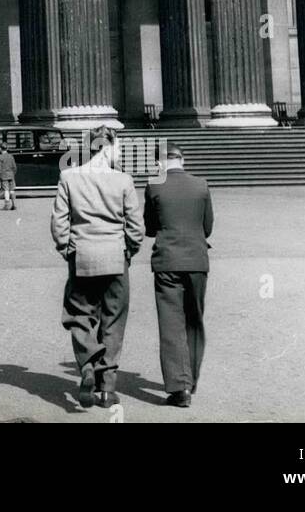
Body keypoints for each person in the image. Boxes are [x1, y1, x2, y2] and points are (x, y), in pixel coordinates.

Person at [50, 128, 144, 408]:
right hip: (116, 257)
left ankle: (88, 365)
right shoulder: (124, 179)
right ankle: (107, 389)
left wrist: (67, 249)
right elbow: (136, 226)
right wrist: (128, 250)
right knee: (113, 320)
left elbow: (59, 222)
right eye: (118, 147)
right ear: (106, 147)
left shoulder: (69, 177)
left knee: (79, 315)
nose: (120, 153)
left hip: (82, 255)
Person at [144, 143, 214, 408]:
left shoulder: (154, 186)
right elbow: (207, 226)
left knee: (171, 322)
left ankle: (179, 387)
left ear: (159, 163)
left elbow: (150, 227)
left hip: (167, 261)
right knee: (194, 320)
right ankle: (191, 379)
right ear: (182, 160)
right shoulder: (201, 185)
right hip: (197, 259)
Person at [0, 140, 17, 210]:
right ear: (7, 148)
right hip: (11, 175)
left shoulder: (0, 157)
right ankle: (14, 204)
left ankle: (7, 205)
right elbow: (14, 167)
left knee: (6, 190)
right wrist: (13, 174)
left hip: (4, 176)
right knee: (12, 190)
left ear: (0, 149)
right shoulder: (11, 156)